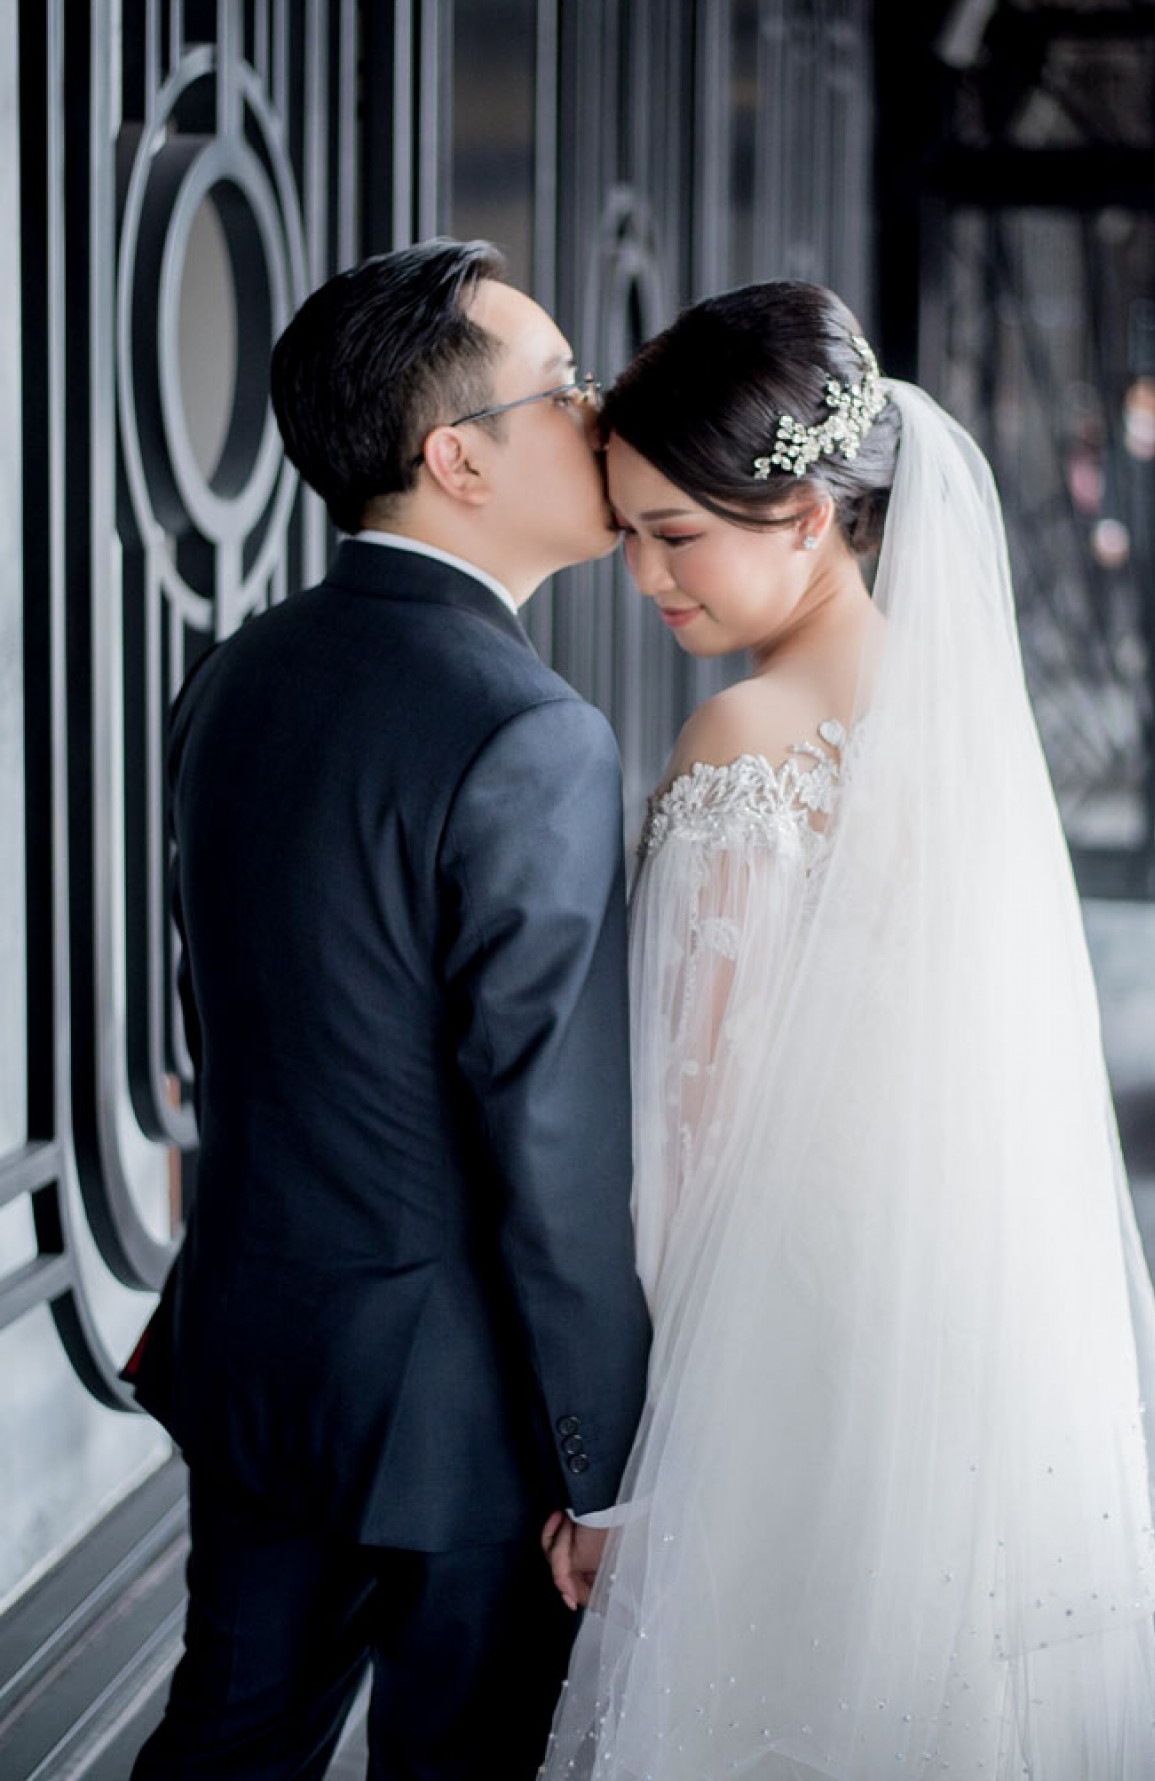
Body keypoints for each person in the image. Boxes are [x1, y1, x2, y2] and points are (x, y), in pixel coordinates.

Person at [541, 282, 1155, 1779]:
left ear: (805, 516)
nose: (642, 574)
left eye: (675, 534)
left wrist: (633, 1462)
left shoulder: (744, 740)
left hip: (778, 1351)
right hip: (956, 1331)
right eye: (629, 530)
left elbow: (684, 1151)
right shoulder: (958, 717)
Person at [126, 239, 651, 1779]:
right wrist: (605, 1466)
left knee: (226, 1745)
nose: (600, 412)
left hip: (255, 1348)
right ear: (456, 458)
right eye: (564, 385)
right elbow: (554, 1147)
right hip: (453, 1418)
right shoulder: (532, 732)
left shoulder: (236, 676)